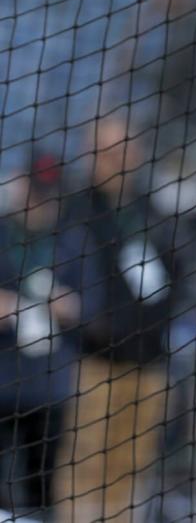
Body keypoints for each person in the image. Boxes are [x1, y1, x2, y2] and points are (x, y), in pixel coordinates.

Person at [57, 117, 176, 522]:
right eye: (109, 152)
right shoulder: (78, 208)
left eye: (125, 149)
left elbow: (174, 272)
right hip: (94, 362)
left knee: (132, 466)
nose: (119, 160)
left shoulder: (149, 209)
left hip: (149, 360)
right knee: (87, 463)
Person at [0, 155, 83, 518]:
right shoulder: (2, 233)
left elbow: (93, 304)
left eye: (47, 195)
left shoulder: (70, 238)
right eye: (35, 192)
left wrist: (69, 305)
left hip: (48, 387)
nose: (39, 203)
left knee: (41, 489)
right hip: (2, 380)